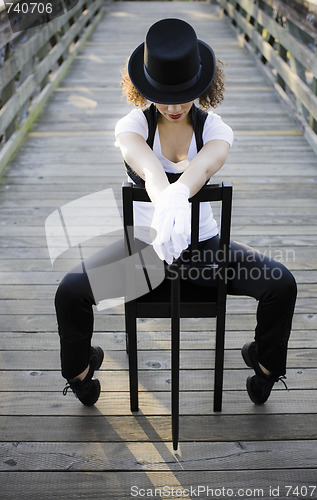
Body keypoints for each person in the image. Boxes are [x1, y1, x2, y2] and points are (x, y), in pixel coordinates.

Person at [55, 18, 297, 407]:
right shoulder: (133, 125)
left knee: (281, 284)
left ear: (199, 87)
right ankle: (81, 373)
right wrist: (163, 191)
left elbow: (204, 166)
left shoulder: (214, 129)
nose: (171, 106)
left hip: (207, 257)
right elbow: (147, 167)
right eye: (162, 95)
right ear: (145, 88)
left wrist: (180, 190)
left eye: (182, 94)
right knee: (69, 292)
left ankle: (265, 367)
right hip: (143, 261)